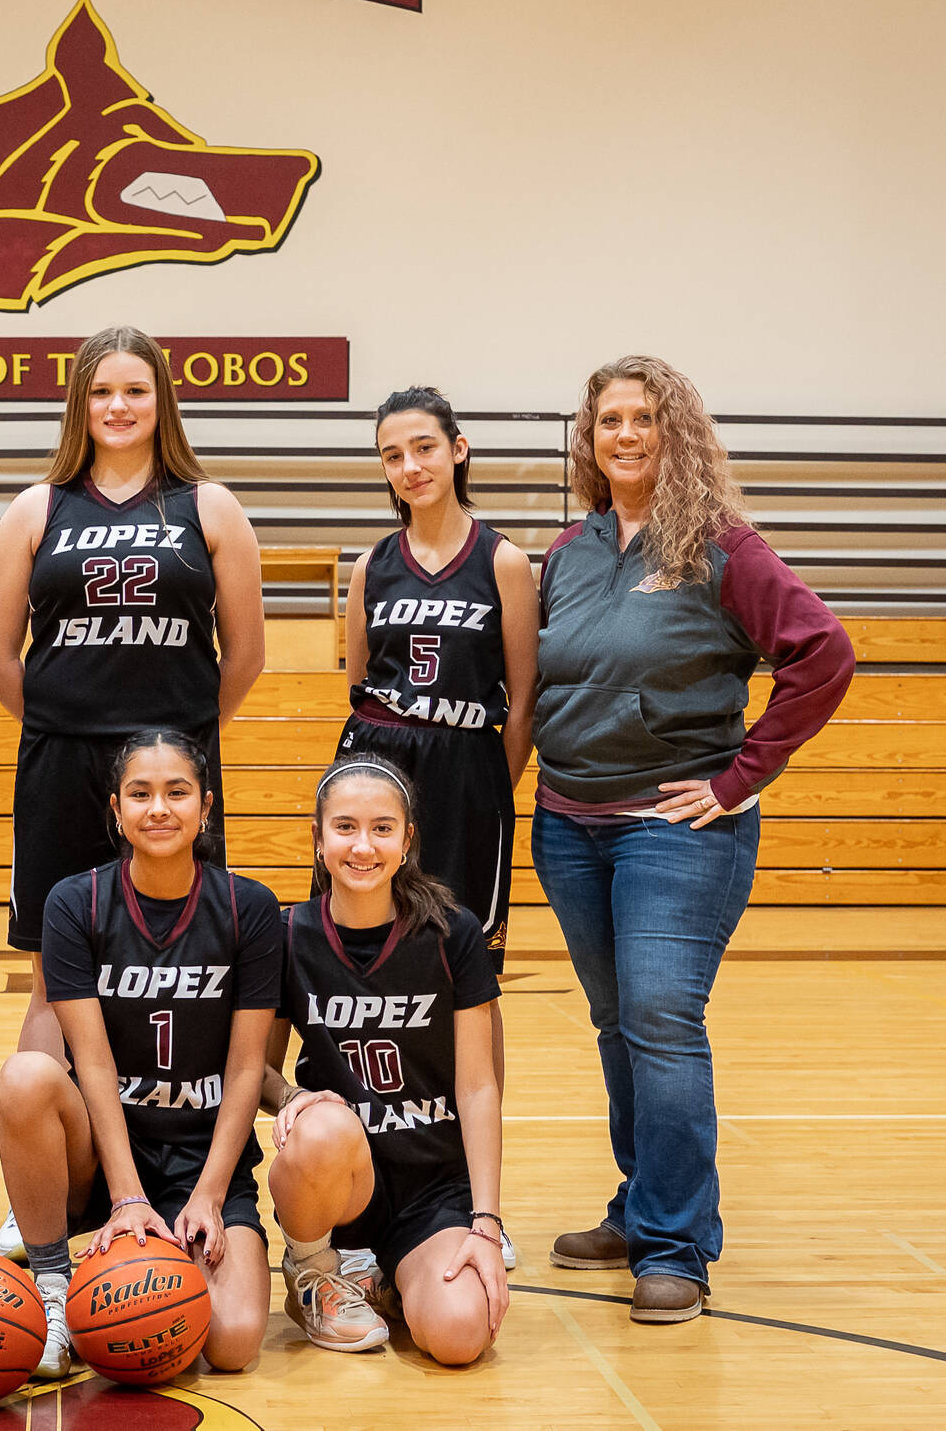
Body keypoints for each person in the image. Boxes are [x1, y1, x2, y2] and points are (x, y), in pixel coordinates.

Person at [533, 355, 853, 1323]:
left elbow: (822, 655)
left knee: (662, 1024)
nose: (623, 435)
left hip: (673, 831)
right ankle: (637, 1209)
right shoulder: (566, 551)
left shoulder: (720, 548)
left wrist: (737, 777)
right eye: (606, 422)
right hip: (566, 824)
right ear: (587, 442)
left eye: (642, 418)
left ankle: (675, 1246)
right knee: (614, 1023)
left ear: (674, 434)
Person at [0, 326, 264, 1258]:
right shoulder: (35, 507)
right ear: (80, 404)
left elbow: (247, 656)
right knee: (49, 975)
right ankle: (43, 1190)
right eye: (101, 392)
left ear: (161, 401)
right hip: (63, 763)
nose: (118, 407)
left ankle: (182, 1166)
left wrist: (166, 744)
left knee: (189, 963)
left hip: (173, 769)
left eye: (135, 391)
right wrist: (72, 721)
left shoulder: (209, 505)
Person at [0, 729, 280, 1379]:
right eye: (141, 793)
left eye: (177, 792)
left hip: (203, 1158)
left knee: (232, 1344)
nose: (159, 808)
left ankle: (171, 1250)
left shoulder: (250, 908)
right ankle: (55, 1288)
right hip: (103, 1156)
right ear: (116, 810)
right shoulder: (75, 904)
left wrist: (208, 1195)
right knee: (25, 1078)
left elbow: (245, 1067)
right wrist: (126, 1197)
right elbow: (90, 1062)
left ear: (205, 807)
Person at [339, 386, 536, 1267]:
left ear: (458, 450)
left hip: (464, 773)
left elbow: (523, 699)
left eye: (423, 448)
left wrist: (489, 788)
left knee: (467, 981)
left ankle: (474, 1193)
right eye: (391, 455)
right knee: (369, 967)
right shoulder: (369, 567)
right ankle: (357, 1188)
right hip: (380, 768)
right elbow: (357, 685)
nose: (409, 467)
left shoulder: (504, 562)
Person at [263, 757, 507, 1364]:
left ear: (408, 839)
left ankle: (386, 1280)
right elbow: (254, 1074)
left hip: (431, 1186)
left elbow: (478, 1087)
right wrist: (293, 1099)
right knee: (322, 1124)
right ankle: (316, 1271)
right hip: (338, 1182)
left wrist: (487, 1221)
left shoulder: (453, 933)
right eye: (344, 828)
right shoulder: (286, 935)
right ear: (318, 840)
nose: (363, 846)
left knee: (458, 1337)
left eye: (382, 828)